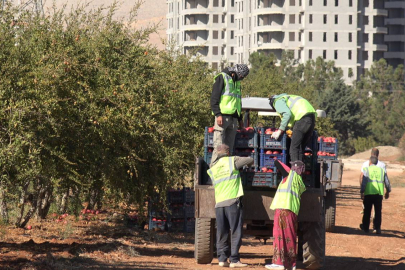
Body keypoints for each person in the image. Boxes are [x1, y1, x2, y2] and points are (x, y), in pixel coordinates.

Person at [207, 144, 253, 268]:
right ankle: (234, 260)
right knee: (236, 231)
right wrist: (236, 159)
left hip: (219, 203)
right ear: (228, 153)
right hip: (232, 201)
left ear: (217, 153)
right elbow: (250, 160)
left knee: (222, 232)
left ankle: (222, 259)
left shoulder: (213, 168)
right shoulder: (232, 161)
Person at [265, 160, 306, 270]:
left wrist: (275, 158)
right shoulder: (300, 181)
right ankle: (290, 263)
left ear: (295, 168)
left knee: (279, 235)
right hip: (292, 211)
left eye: (292, 166)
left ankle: (278, 263)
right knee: (290, 236)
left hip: (283, 209)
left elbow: (277, 163)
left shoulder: (291, 175)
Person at [210, 64, 250, 166]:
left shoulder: (237, 82)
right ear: (235, 73)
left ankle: (225, 171)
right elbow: (214, 98)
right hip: (222, 117)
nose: (242, 79)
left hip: (233, 119)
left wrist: (240, 119)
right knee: (219, 148)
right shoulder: (222, 77)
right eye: (241, 76)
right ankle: (214, 173)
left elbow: (237, 102)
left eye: (243, 77)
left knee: (228, 149)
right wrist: (218, 114)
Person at [268, 94, 316, 163]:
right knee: (300, 148)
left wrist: (280, 130)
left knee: (294, 148)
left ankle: (295, 171)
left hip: (302, 119)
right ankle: (300, 171)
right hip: (311, 118)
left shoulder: (277, 101)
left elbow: (287, 114)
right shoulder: (288, 97)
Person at [359, 156, 391, 234]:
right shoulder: (381, 170)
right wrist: (388, 191)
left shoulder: (367, 169)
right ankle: (377, 228)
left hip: (369, 193)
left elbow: (364, 182)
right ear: (376, 163)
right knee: (378, 212)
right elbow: (387, 182)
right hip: (378, 194)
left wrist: (362, 191)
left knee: (367, 211)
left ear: (370, 162)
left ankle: (366, 228)